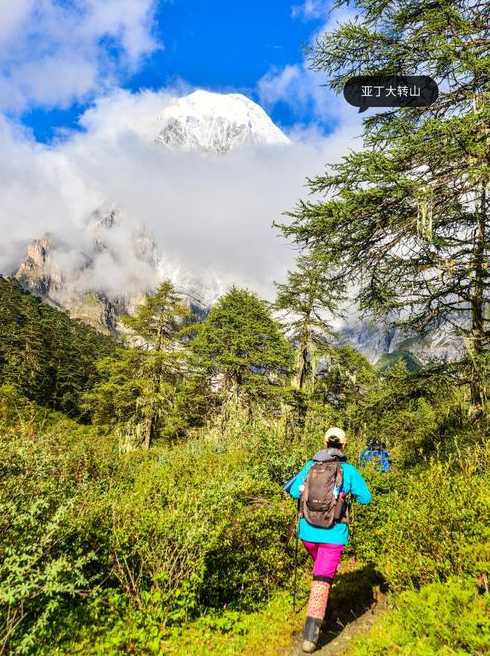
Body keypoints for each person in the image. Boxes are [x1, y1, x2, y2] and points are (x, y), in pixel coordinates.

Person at [288, 427, 371, 653]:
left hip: (307, 532)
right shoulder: (349, 470)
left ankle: (324, 600)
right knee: (322, 580)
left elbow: (294, 492)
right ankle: (310, 637)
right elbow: (367, 498)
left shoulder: (310, 465)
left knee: (321, 573)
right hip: (333, 535)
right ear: (344, 446)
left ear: (325, 443)